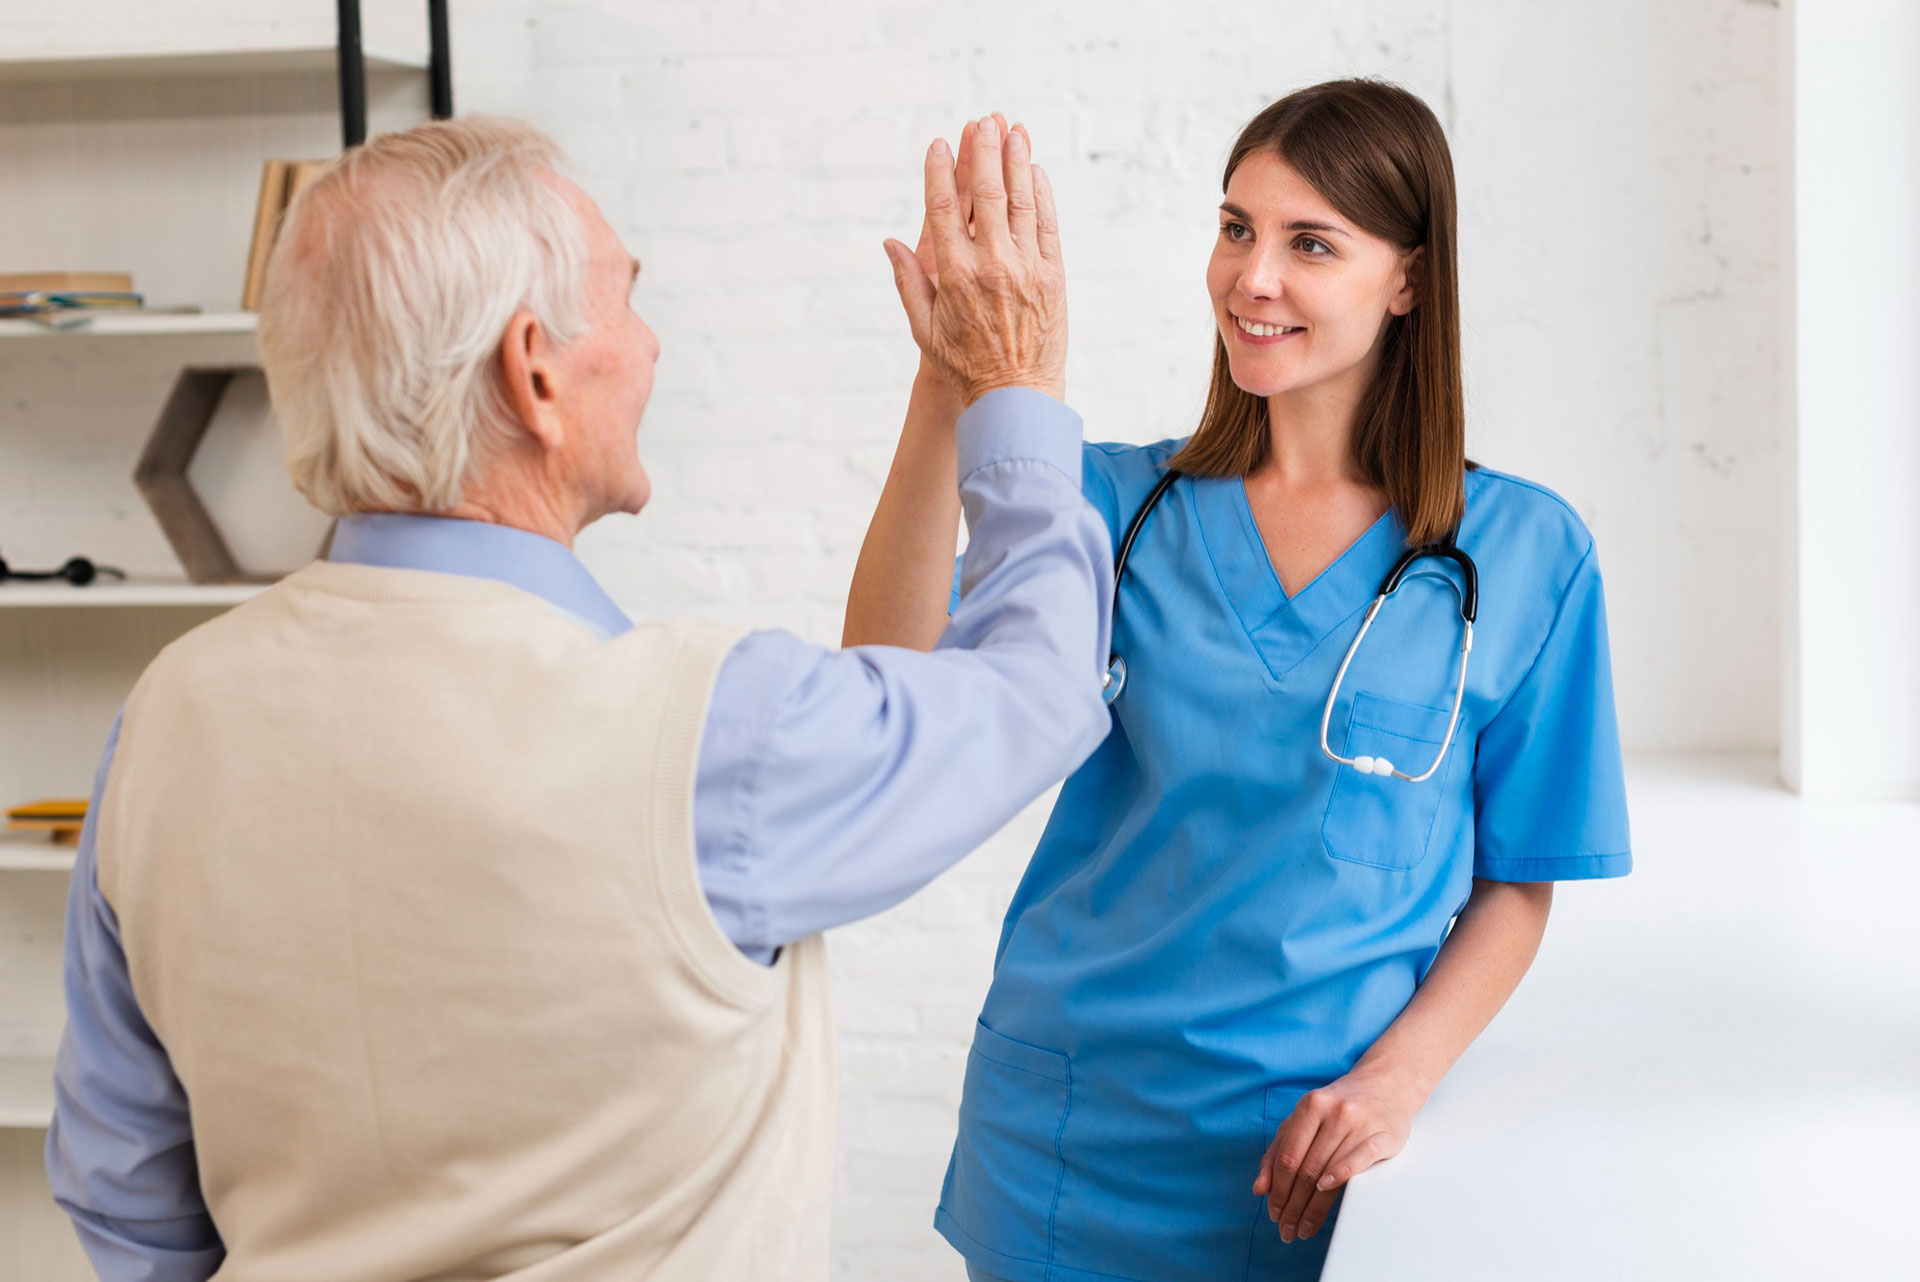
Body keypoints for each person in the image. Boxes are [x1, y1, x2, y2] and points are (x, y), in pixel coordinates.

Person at [45, 114, 1108, 1282]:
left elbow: (128, 1193)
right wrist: (1015, 379)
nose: (651, 346)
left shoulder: (168, 716)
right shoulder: (707, 736)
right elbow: (1029, 690)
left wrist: (946, 395)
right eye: (628, 300)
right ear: (533, 371)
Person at [850, 81, 1633, 1281]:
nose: (1250, 277)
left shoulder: (1525, 554)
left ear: (1410, 278)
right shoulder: (1115, 504)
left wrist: (1396, 1080)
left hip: (1307, 1164)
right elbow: (890, 678)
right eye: (1235, 228)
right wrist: (946, 393)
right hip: (1071, 1134)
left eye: (1309, 242)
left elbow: (1516, 884)